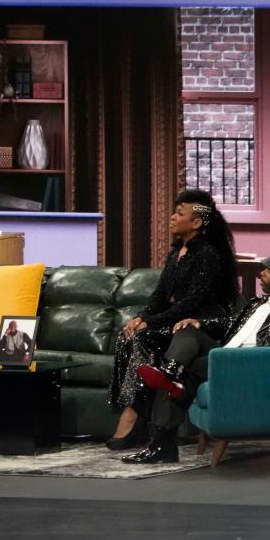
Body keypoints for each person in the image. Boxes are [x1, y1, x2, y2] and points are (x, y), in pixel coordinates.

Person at [122, 245, 270, 463]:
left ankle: (162, 441)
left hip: (250, 362)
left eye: (269, 270)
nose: (262, 272)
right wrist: (200, 322)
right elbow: (229, 323)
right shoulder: (256, 302)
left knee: (175, 378)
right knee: (186, 333)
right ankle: (171, 374)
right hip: (225, 357)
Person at [106, 189, 238, 450]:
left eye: (180, 213)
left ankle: (134, 417)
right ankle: (135, 414)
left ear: (197, 222)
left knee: (145, 338)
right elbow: (160, 295)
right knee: (128, 336)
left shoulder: (207, 255)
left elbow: (193, 302)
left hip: (198, 325)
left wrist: (151, 323)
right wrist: (141, 317)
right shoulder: (177, 252)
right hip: (175, 320)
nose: (172, 217)